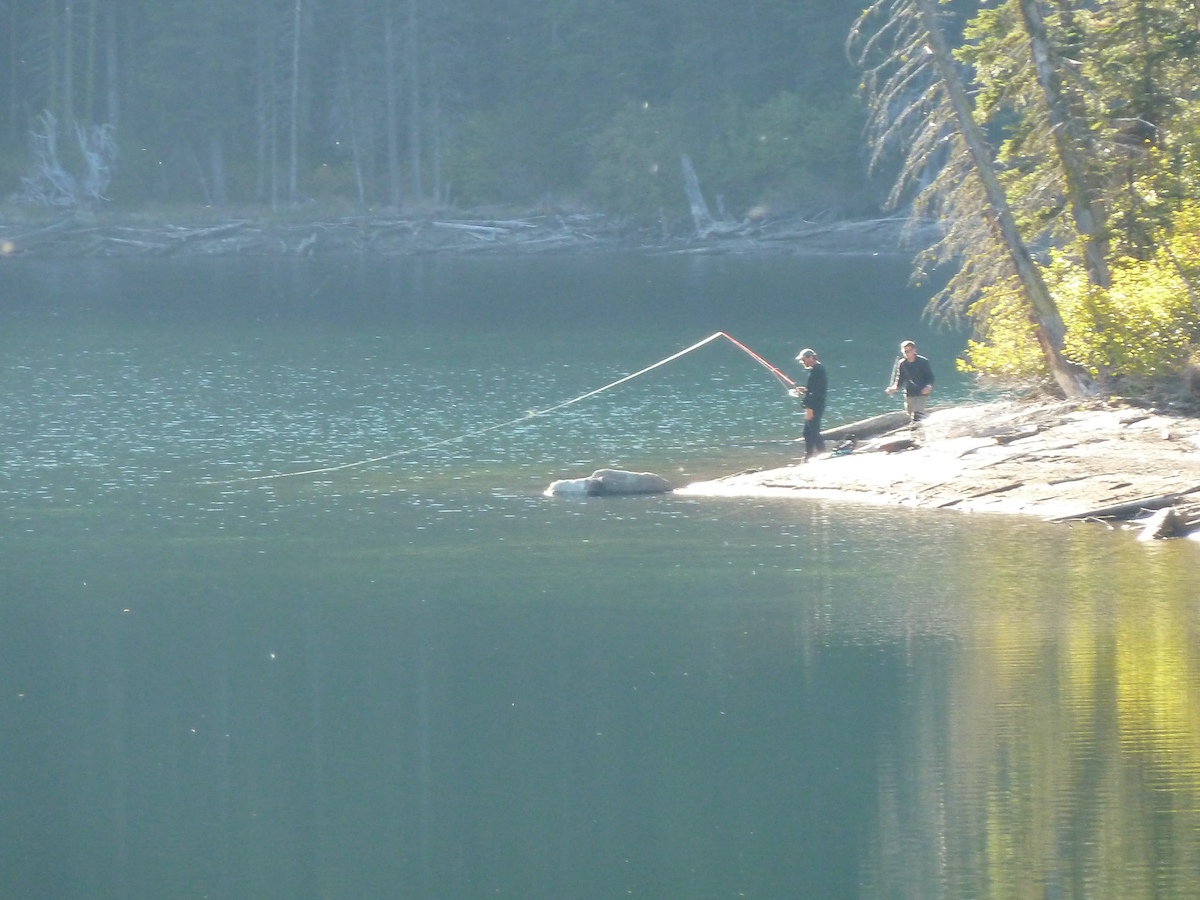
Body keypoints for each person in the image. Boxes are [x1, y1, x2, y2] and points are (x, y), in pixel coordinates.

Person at [886, 340, 935, 439]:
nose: (907, 353)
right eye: (905, 351)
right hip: (909, 392)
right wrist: (894, 388)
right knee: (910, 413)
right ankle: (919, 434)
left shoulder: (923, 361)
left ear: (914, 350)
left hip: (922, 392)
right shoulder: (902, 363)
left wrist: (929, 386)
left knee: (917, 415)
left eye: (909, 351)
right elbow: (900, 379)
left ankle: (918, 437)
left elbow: (931, 377)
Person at [791, 348, 827, 460]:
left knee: (814, 431)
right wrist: (805, 390)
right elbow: (816, 389)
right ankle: (809, 456)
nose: (803, 362)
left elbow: (817, 392)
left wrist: (810, 408)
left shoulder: (817, 371)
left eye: (804, 359)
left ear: (811, 357)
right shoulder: (816, 370)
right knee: (807, 432)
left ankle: (822, 454)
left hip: (815, 405)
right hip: (814, 404)